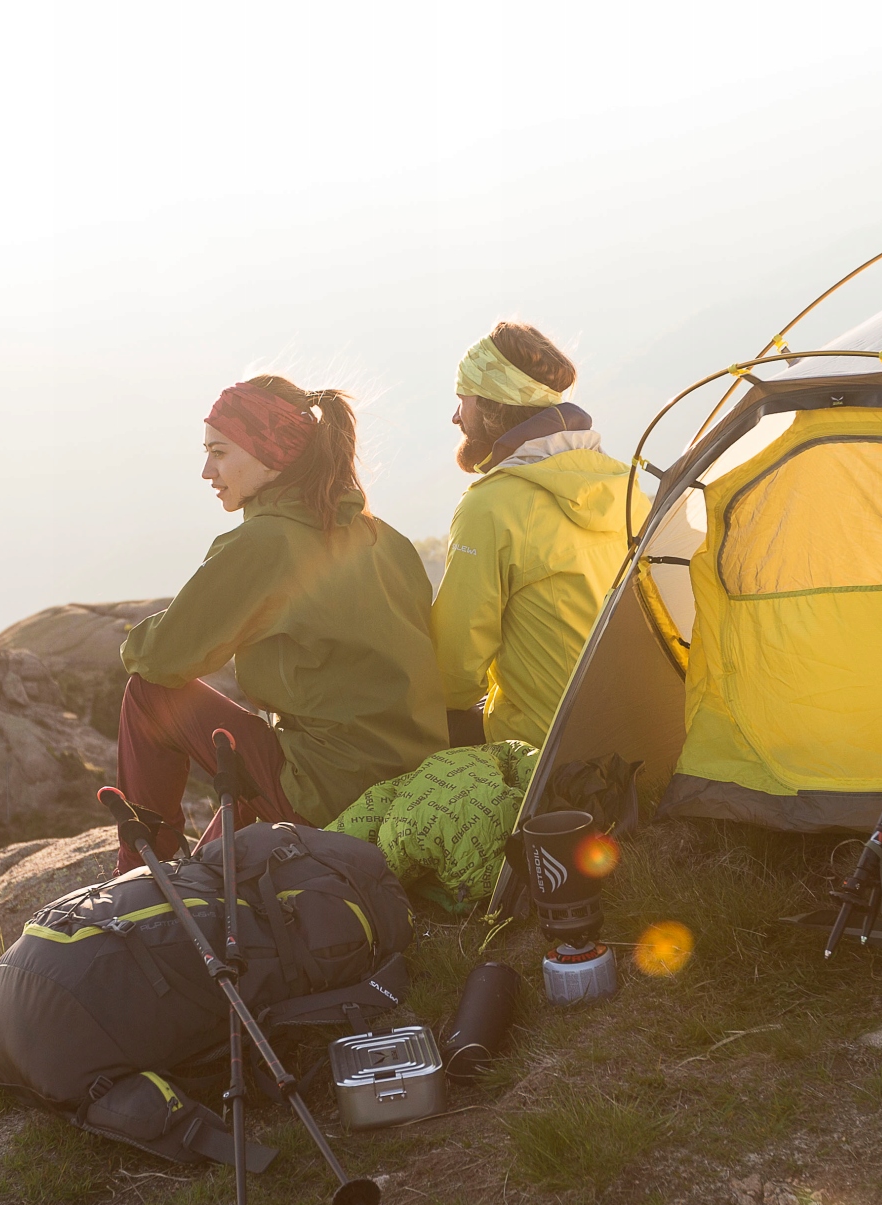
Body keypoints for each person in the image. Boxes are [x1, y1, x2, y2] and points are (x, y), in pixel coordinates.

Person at [114, 376, 447, 869]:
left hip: (330, 791)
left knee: (149, 695)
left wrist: (140, 638)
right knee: (225, 837)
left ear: (271, 456)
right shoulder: (385, 538)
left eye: (220, 453)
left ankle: (140, 872)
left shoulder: (266, 543)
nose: (206, 471)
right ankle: (196, 871)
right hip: (415, 782)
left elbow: (162, 659)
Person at [431, 322, 630, 750]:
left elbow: (453, 672)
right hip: (630, 732)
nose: (455, 417)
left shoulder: (491, 505)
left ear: (491, 406)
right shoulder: (619, 484)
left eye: (462, 400)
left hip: (545, 746)